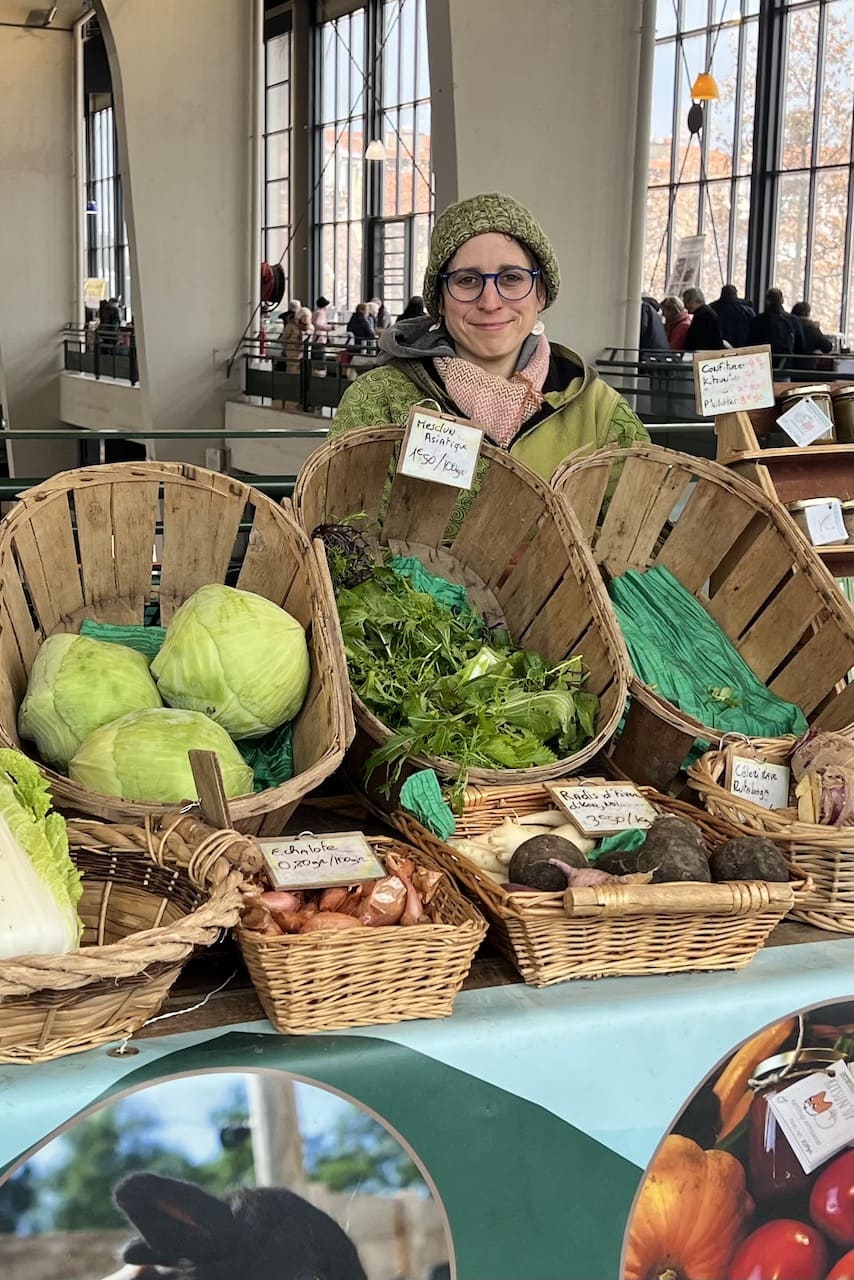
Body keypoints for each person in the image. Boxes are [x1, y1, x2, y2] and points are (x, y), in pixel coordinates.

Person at [331, 192, 648, 480]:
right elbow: (337, 527)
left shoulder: (597, 410)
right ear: (440, 299)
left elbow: (644, 528)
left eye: (511, 278)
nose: (490, 302)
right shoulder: (379, 401)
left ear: (541, 292)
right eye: (467, 280)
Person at [748, 288, 804, 372]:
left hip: (763, 364)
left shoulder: (759, 320)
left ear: (767, 301)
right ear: (782, 300)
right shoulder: (793, 320)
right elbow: (800, 346)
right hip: (786, 364)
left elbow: (751, 343)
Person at [791, 301, 834, 371]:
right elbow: (827, 347)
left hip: (788, 365)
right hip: (807, 367)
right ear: (807, 314)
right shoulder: (811, 329)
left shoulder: (788, 325)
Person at [710, 284, 755, 349]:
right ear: (736, 293)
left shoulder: (713, 309)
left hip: (719, 348)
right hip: (743, 348)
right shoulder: (747, 310)